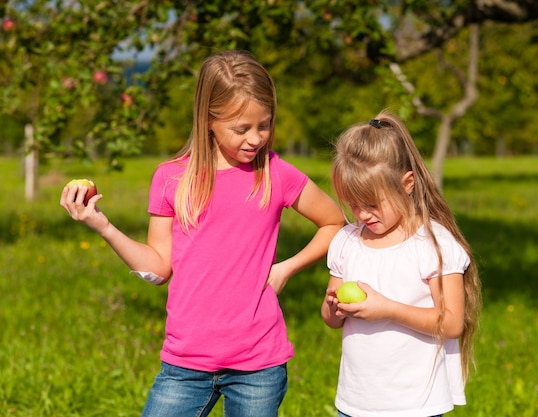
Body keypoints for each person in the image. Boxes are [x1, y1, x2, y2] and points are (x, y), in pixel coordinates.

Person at [60, 50, 345, 417]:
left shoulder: (275, 173)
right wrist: (101, 225)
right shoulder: (170, 178)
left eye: (264, 125)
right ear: (208, 119)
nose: (256, 138)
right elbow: (158, 268)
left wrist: (284, 269)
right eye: (241, 129)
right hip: (184, 365)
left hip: (258, 364)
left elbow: (334, 221)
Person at [321, 111, 481, 417]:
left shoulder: (433, 245)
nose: (362, 215)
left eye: (371, 204)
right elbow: (331, 319)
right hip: (355, 403)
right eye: (353, 204)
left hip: (415, 405)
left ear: (406, 183)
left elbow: (451, 323)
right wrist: (333, 308)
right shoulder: (347, 241)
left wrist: (388, 310)